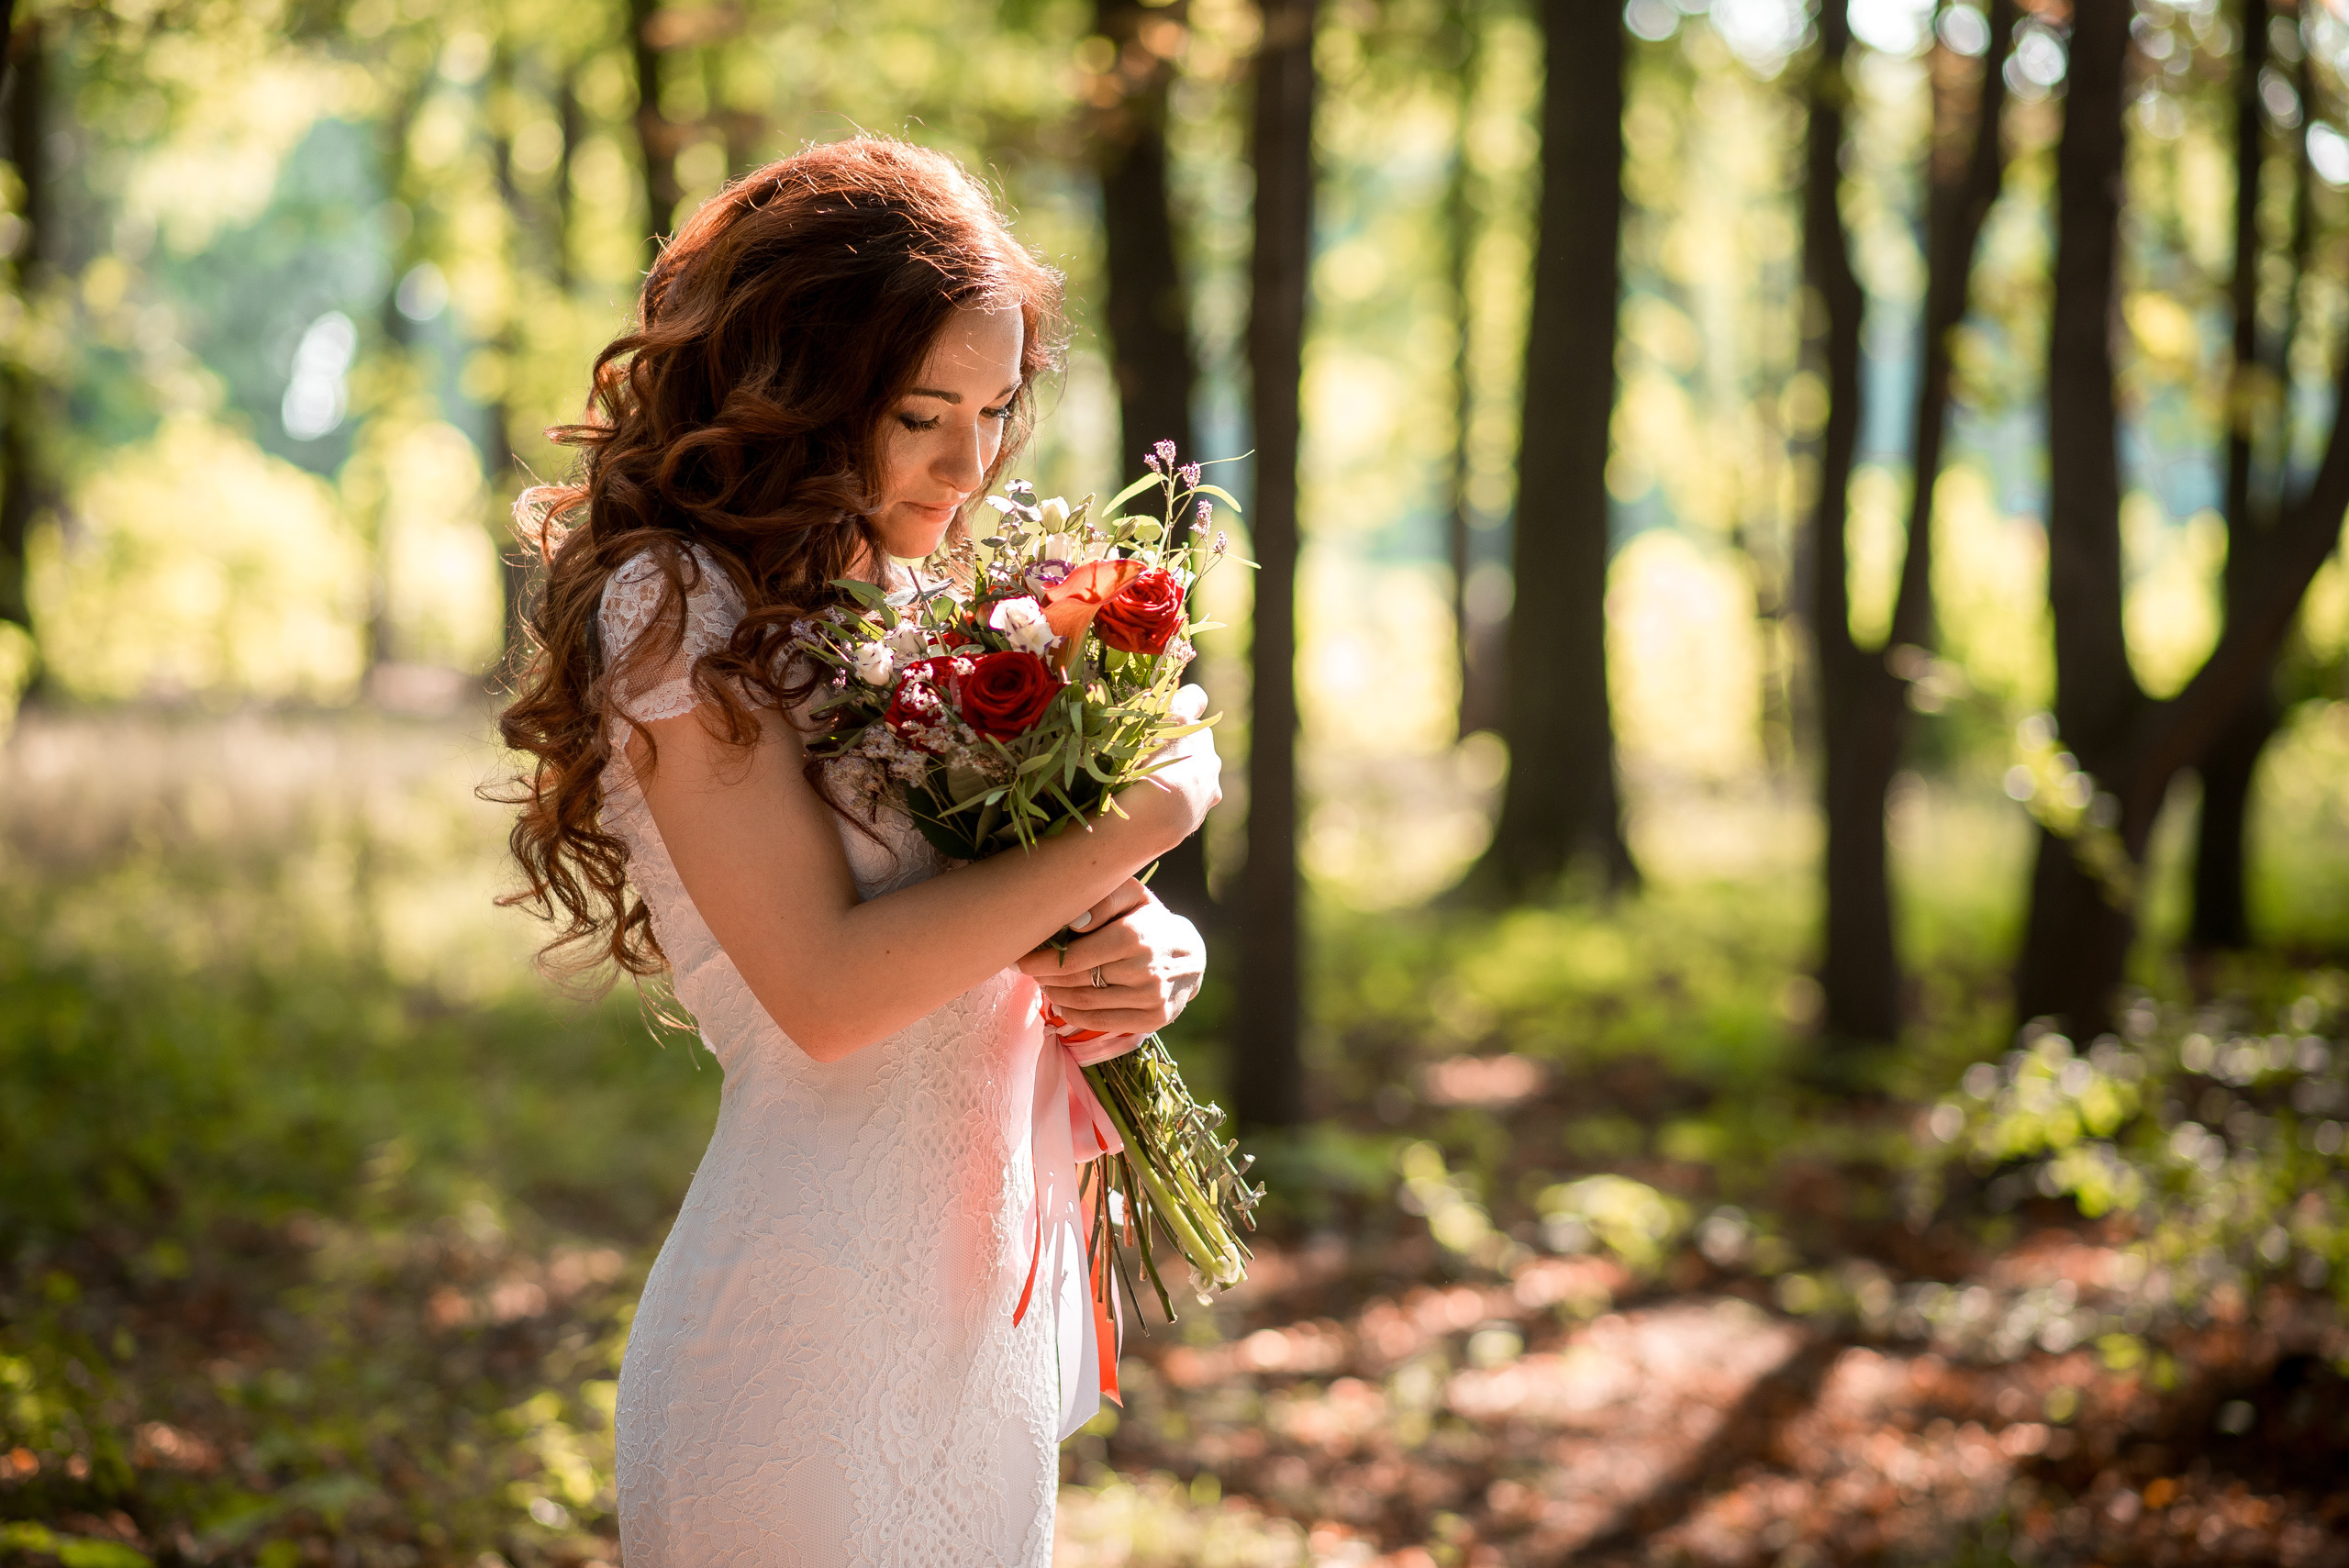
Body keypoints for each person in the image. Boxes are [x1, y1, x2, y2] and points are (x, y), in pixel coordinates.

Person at [495, 137, 1221, 1567]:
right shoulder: (673, 605)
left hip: (973, 1338)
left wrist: (1144, 950)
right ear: (799, 387)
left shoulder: (907, 599)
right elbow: (828, 990)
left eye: (998, 409)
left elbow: (986, 926)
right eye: (918, 414)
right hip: (797, 1350)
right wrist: (1144, 820)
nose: (968, 465)